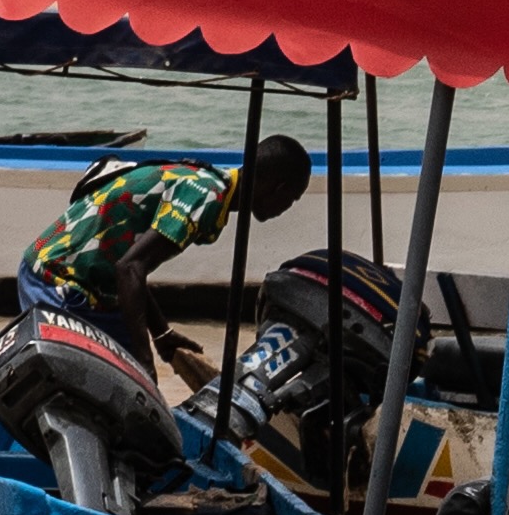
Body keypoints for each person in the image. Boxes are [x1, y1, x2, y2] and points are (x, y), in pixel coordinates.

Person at [15, 131, 311, 369]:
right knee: (120, 380)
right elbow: (130, 269)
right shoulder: (204, 197)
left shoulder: (207, 184)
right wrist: (145, 360)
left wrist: (161, 334)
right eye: (293, 199)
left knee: (132, 378)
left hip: (93, 284)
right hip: (58, 279)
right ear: (278, 188)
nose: (288, 208)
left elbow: (132, 268)